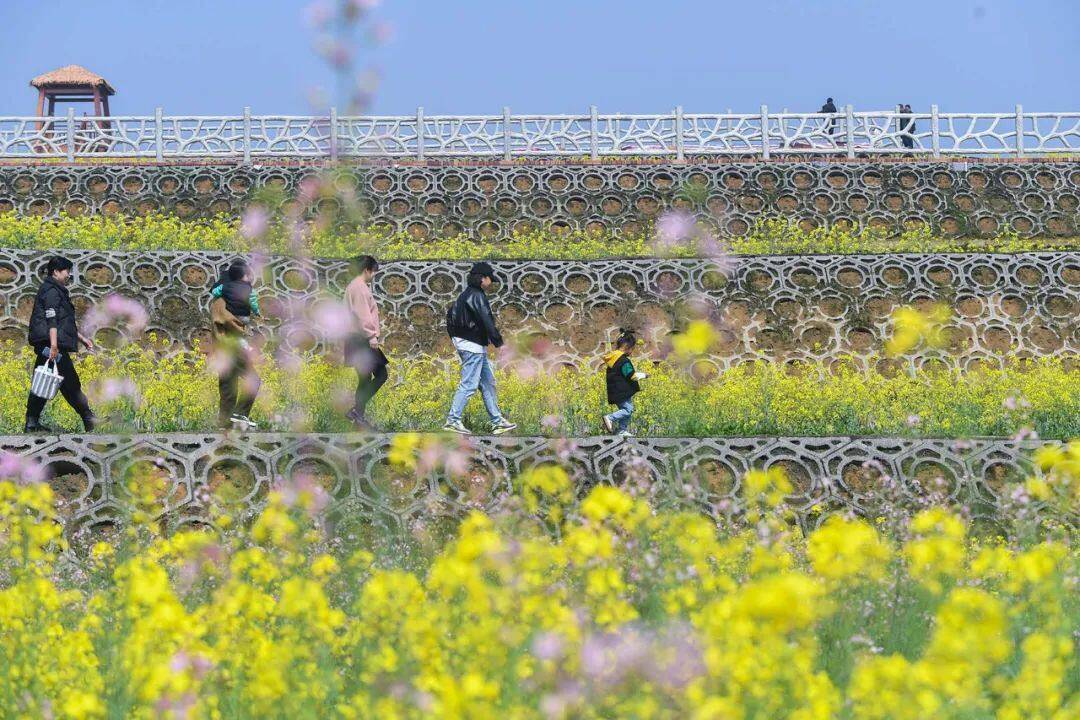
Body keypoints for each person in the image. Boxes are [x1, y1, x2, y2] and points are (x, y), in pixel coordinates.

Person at [442, 261, 517, 435]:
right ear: (482, 278)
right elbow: (486, 320)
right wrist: (499, 343)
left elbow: (451, 320)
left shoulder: (465, 295)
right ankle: (452, 421)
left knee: (487, 383)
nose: (491, 283)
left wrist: (457, 341)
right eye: (490, 279)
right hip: (472, 347)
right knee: (469, 384)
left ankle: (497, 422)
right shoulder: (476, 295)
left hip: (472, 346)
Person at [24, 256, 97, 432]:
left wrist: (82, 338)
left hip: (49, 345)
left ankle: (32, 423)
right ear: (56, 272)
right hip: (50, 346)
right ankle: (89, 418)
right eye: (66, 271)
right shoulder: (51, 291)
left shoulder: (56, 290)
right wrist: (54, 346)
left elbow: (64, 322)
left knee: (44, 382)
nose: (69, 275)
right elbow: (52, 319)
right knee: (69, 382)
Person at [211, 259, 260, 430]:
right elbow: (230, 322)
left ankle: (224, 426)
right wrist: (245, 334)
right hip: (233, 347)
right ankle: (240, 414)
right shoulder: (223, 303)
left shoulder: (219, 299)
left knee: (228, 389)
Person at [343, 255, 387, 430]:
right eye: (374, 271)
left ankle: (358, 416)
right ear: (367, 270)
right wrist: (371, 336)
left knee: (364, 378)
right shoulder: (360, 288)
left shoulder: (352, 287)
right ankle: (357, 411)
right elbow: (363, 315)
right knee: (382, 374)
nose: (374, 275)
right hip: (362, 339)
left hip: (355, 339)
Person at [601, 329, 647, 438]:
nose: (632, 352)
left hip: (616, 391)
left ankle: (622, 430)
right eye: (632, 349)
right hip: (622, 392)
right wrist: (644, 375)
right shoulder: (623, 361)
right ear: (627, 346)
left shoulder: (613, 360)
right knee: (628, 410)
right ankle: (610, 418)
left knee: (627, 410)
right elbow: (631, 375)